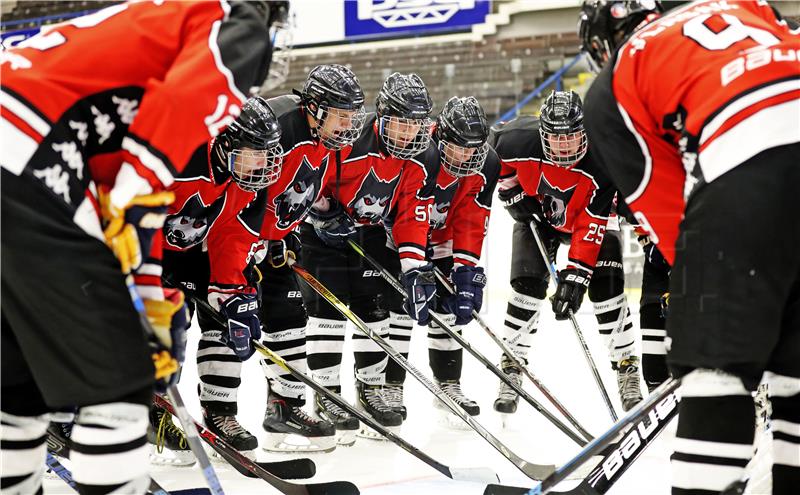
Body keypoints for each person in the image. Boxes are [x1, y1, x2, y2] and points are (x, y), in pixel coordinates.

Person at [0, 1, 274, 493]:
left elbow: (118, 206)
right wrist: (142, 318)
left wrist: (149, 297)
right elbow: (136, 190)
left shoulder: (151, 25)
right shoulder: (235, 17)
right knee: (120, 377)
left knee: (16, 381)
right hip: (27, 151)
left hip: (24, 150)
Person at [580, 1, 800, 493]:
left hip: (748, 168)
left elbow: (670, 215)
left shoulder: (617, 78)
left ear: (602, 42)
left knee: (714, 377)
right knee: (794, 375)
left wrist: (721, 306)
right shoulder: (740, 4)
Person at [303, 72, 439, 439]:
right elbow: (314, 174)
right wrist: (322, 212)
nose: (410, 133)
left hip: (373, 232)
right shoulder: (350, 138)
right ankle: (327, 391)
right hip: (323, 233)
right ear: (382, 117)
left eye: (417, 124)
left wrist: (413, 266)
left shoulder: (421, 156)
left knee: (374, 307)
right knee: (328, 310)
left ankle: (371, 387)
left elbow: (411, 211)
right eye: (401, 124)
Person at [490, 90, 643, 414]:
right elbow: (493, 155)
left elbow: (592, 221)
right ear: (542, 133)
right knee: (526, 285)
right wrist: (512, 191)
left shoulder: (601, 158)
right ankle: (512, 366)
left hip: (588, 217)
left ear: (584, 133)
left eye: (572, 137)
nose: (564, 147)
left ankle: (627, 365)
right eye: (556, 139)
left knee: (607, 286)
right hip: (538, 218)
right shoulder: (517, 140)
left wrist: (576, 276)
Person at [156, 95, 283, 460]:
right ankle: (152, 414)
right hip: (144, 251)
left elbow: (233, 235)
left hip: (198, 252)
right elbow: (129, 211)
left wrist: (230, 292)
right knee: (166, 326)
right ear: (226, 144)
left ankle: (221, 414)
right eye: (254, 152)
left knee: (232, 316)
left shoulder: (248, 178)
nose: (264, 163)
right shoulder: (179, 158)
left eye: (267, 153)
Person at [383, 96, 499, 421]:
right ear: (439, 135)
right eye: (458, 147)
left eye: (473, 148)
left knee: (451, 308)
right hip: (400, 235)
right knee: (403, 309)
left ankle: (448, 383)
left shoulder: (487, 163)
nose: (465, 156)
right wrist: (414, 262)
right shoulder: (421, 151)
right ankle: (390, 384)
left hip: (444, 237)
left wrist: (466, 269)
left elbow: (472, 219)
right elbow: (404, 208)